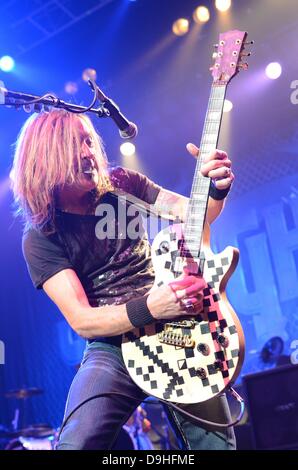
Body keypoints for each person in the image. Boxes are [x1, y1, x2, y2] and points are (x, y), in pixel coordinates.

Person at [12, 109, 236, 450]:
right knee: (76, 444)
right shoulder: (42, 235)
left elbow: (196, 215)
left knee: (216, 446)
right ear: (46, 155)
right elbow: (83, 321)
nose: (89, 152)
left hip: (176, 330)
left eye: (89, 141)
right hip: (111, 344)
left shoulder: (122, 183)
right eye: (76, 144)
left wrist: (215, 188)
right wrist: (150, 307)